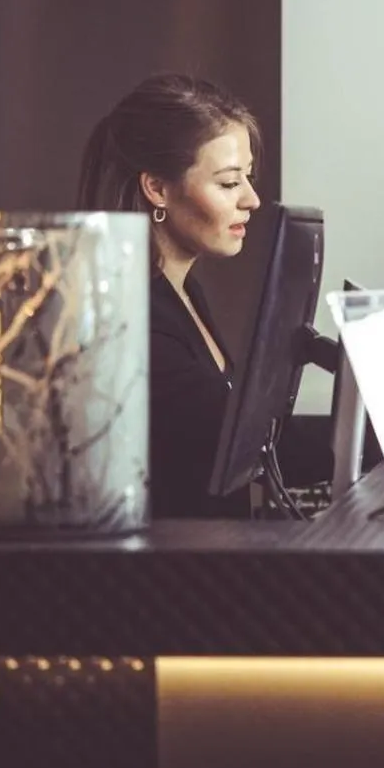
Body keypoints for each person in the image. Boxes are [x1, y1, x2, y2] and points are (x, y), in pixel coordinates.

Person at [75, 73, 262, 518]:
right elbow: (246, 443)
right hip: (170, 579)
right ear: (157, 188)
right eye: (229, 182)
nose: (252, 199)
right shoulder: (134, 319)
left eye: (248, 178)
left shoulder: (183, 292)